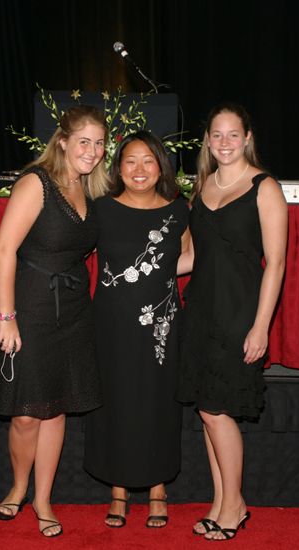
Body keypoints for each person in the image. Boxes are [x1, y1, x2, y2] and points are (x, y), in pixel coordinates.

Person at [0, 105, 110, 537]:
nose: (92, 151)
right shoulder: (35, 183)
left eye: (99, 143)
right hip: (31, 308)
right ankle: (17, 487)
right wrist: (7, 318)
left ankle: (42, 499)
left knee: (56, 410)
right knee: (24, 413)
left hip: (74, 311)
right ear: (63, 141)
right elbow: (3, 250)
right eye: (84, 142)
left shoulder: (91, 190)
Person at [176, 102, 288, 541]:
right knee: (208, 409)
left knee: (215, 410)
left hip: (240, 312)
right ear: (207, 140)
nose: (224, 142)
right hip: (201, 308)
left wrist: (261, 326)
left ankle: (235, 504)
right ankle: (222, 502)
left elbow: (276, 264)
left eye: (232, 134)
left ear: (247, 138)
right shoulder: (201, 187)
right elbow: (192, 257)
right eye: (216, 135)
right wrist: (141, 271)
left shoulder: (265, 187)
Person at [84, 130, 191, 528]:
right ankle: (118, 490)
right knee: (115, 399)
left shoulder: (179, 211)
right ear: (118, 167)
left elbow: (190, 257)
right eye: (130, 160)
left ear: (161, 165)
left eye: (148, 160)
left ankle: (159, 489)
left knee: (158, 400)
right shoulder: (102, 209)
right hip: (110, 321)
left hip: (159, 323)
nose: (139, 169)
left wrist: (151, 276)